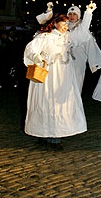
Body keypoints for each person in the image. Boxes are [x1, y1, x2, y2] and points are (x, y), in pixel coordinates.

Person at [24, 14, 87, 150]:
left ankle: (55, 137)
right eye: (63, 24)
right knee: (46, 103)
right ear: (55, 24)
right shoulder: (45, 37)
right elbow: (30, 48)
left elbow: (83, 33)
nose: (65, 27)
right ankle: (43, 135)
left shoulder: (69, 38)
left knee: (59, 105)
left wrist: (88, 13)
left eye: (67, 24)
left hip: (64, 78)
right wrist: (36, 57)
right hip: (48, 77)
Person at [66, 3, 101, 93]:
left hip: (79, 61)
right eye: (70, 14)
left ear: (78, 16)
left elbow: (90, 46)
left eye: (74, 14)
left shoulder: (82, 29)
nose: (72, 16)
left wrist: (93, 62)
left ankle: (75, 106)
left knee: (76, 86)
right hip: (65, 61)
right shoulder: (63, 27)